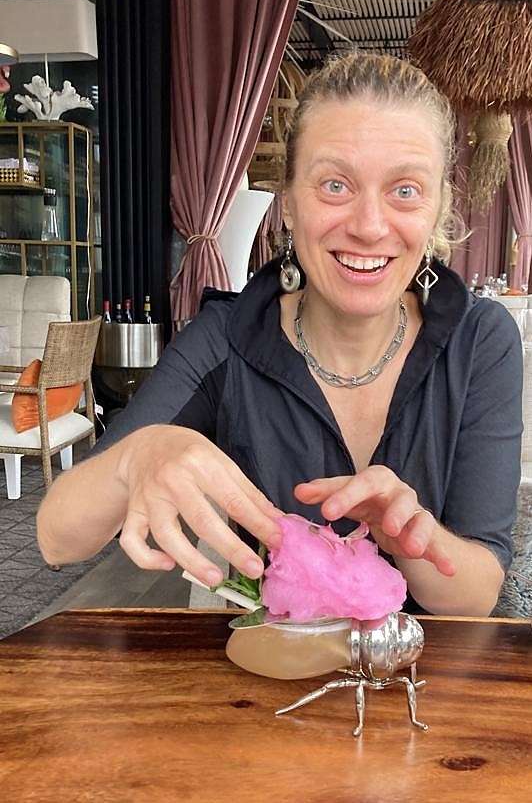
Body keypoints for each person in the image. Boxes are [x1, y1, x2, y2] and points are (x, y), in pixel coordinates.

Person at [37, 52, 522, 616]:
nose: (369, 225)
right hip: (264, 683)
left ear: (438, 208)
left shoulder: (480, 341)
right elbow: (55, 537)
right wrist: (137, 456)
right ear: (288, 205)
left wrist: (410, 537)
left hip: (417, 688)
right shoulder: (227, 337)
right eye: (335, 185)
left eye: (405, 190)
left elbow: (476, 595)